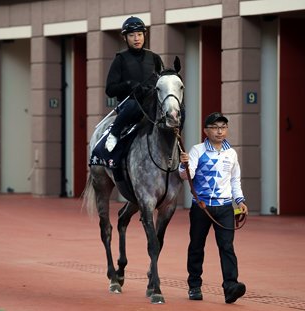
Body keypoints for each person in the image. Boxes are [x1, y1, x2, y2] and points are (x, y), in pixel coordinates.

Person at [179, 112, 248, 304]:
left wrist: (240, 201)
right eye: (215, 127)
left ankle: (231, 287)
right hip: (202, 207)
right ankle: (194, 285)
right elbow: (187, 175)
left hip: (225, 207)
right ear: (206, 131)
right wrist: (184, 166)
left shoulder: (231, 153)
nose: (220, 131)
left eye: (223, 127)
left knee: (227, 246)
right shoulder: (197, 151)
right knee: (196, 246)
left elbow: (235, 179)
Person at [104, 16, 164, 152]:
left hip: (151, 103)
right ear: (125, 38)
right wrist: (128, 84)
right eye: (132, 35)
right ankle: (114, 134)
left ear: (144, 35)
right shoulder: (120, 59)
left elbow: (162, 81)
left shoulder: (155, 58)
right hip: (129, 105)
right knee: (133, 105)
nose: (136, 38)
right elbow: (110, 89)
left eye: (139, 34)